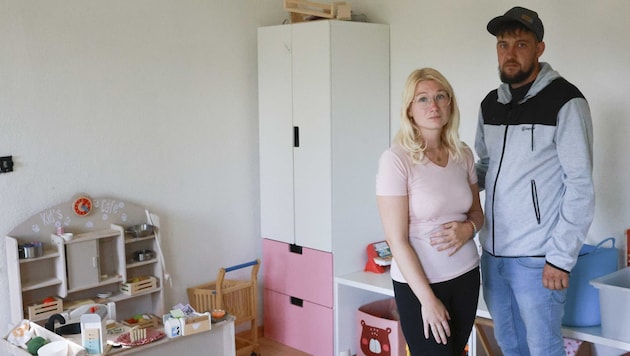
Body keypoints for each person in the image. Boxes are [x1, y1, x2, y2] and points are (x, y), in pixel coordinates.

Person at [475, 6, 595, 356]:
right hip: (493, 257)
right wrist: (447, 173)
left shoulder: (566, 102)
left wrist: (560, 258)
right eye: (502, 45)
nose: (510, 54)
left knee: (543, 348)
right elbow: (486, 168)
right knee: (509, 345)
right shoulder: (490, 105)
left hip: (538, 259)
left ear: (539, 48)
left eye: (520, 44)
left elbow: (580, 186)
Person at [376, 68, 484, 356]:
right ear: (409, 110)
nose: (433, 105)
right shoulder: (396, 160)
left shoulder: (463, 154)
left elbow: (477, 213)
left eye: (440, 96)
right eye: (422, 99)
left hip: (466, 277)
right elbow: (395, 239)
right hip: (421, 287)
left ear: (450, 103)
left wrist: (469, 228)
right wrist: (427, 300)